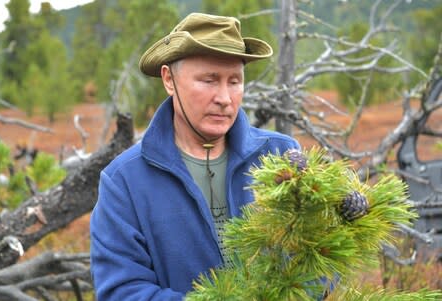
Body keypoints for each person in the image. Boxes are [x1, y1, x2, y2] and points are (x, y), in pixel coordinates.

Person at [90, 12, 300, 301]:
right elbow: (122, 292)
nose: (225, 98)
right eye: (209, 80)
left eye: (234, 81)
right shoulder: (124, 181)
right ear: (169, 79)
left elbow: (322, 254)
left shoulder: (280, 156)